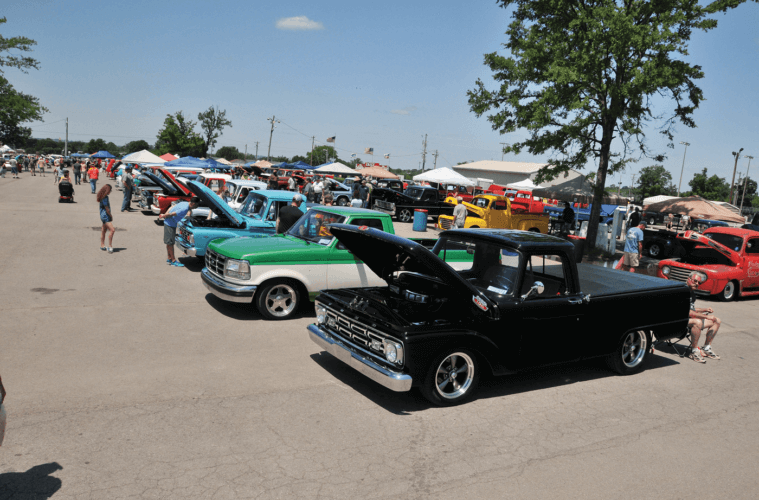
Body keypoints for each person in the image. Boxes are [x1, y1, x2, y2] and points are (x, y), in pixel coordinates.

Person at [686, 272, 722, 362]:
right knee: (697, 322)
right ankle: (694, 352)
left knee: (717, 320)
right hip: (679, 320)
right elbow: (688, 312)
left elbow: (692, 309)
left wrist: (705, 309)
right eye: (695, 281)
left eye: (699, 283)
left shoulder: (692, 293)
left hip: (689, 318)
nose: (697, 284)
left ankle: (706, 348)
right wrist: (706, 317)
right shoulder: (683, 291)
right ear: (688, 279)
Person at [159, 196, 201, 267]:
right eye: (196, 205)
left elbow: (172, 206)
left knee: (169, 242)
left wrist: (165, 214)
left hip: (168, 223)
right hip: (170, 225)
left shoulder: (184, 203)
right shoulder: (185, 208)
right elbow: (173, 213)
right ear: (193, 204)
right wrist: (164, 215)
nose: (196, 207)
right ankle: (173, 261)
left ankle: (169, 258)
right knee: (171, 243)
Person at [97, 184, 115, 253]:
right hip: (105, 216)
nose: (110, 191)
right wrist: (110, 215)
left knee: (103, 230)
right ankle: (110, 246)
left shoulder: (102, 196)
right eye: (110, 190)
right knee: (112, 230)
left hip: (102, 215)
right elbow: (107, 208)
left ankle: (102, 245)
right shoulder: (105, 197)